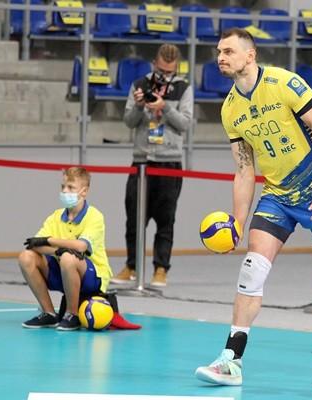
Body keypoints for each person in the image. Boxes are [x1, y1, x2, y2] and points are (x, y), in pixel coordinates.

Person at [194, 28, 312, 388]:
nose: (221, 57)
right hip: (278, 194)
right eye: (219, 51)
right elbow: (244, 170)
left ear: (250, 55)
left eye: (228, 51)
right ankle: (231, 359)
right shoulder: (230, 108)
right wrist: (237, 221)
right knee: (252, 269)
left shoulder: (285, 84)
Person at [111, 43, 193, 287]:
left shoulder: (184, 88)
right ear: (154, 64)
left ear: (176, 68)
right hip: (142, 160)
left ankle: (160, 269)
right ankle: (132, 266)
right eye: (161, 70)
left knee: (166, 219)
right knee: (134, 219)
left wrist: (164, 107)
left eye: (169, 71)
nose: (164, 75)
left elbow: (185, 123)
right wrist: (139, 105)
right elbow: (128, 121)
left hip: (169, 161)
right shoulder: (139, 84)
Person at [19, 167, 113, 331]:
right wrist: (56, 251)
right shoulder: (56, 216)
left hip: (92, 276)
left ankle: (72, 315)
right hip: (62, 269)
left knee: (69, 258)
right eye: (63, 187)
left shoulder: (95, 216)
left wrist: (50, 240)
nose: (65, 191)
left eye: (71, 187)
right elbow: (35, 244)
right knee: (26, 256)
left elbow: (81, 246)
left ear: (84, 191)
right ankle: (49, 313)